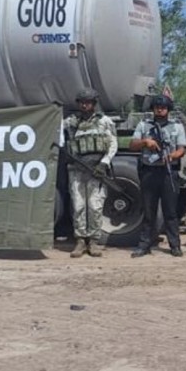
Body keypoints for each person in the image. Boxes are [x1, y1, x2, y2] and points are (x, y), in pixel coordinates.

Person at [63, 88, 118, 258]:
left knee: (95, 206)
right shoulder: (71, 122)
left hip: (96, 170)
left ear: (94, 104)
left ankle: (94, 241)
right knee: (78, 206)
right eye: (82, 102)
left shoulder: (105, 122)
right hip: (77, 170)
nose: (84, 105)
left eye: (88, 102)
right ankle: (80, 241)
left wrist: (104, 163)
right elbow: (54, 130)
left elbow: (113, 144)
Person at [130, 95, 186, 258]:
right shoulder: (144, 125)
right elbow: (132, 144)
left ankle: (175, 245)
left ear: (168, 109)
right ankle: (144, 245)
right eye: (157, 107)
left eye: (163, 107)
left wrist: (172, 156)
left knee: (171, 212)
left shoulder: (177, 126)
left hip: (168, 171)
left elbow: (182, 149)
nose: (160, 110)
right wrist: (145, 142)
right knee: (149, 211)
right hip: (149, 171)